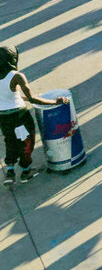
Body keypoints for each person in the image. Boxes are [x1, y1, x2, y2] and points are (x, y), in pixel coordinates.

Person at [0, 46, 69, 184]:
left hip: (3, 117)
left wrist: (23, 98)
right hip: (19, 116)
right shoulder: (16, 75)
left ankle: (10, 171)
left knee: (10, 141)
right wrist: (56, 101)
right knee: (26, 142)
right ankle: (26, 172)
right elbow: (32, 99)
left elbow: (7, 96)